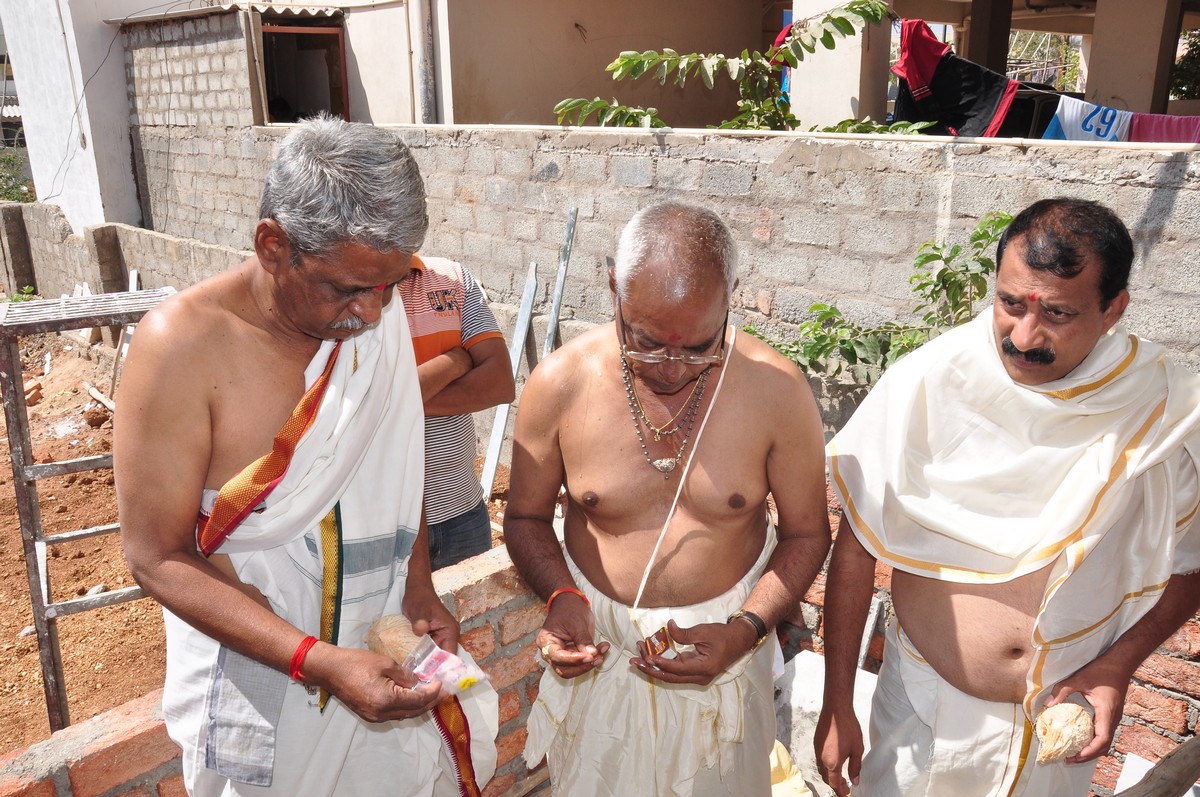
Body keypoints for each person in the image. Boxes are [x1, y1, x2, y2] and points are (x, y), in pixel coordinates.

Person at [114, 115, 497, 796]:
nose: (372, 312)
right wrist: (316, 660)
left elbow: (394, 466)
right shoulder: (180, 348)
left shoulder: (372, 329)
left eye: (390, 285)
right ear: (273, 246)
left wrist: (418, 585)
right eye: (347, 288)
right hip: (259, 673)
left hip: (380, 648)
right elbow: (155, 556)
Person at [815, 198, 1200, 796]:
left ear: (1113, 309)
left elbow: (1190, 565)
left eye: (1058, 313)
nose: (1025, 337)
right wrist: (838, 702)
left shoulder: (1165, 410)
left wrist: (1117, 666)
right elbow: (856, 545)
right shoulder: (931, 381)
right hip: (922, 709)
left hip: (1059, 727)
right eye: (1010, 303)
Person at [504, 200, 832, 796]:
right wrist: (561, 596)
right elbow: (525, 517)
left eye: (700, 345)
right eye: (647, 342)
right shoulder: (559, 384)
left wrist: (745, 630)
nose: (672, 367)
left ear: (731, 296)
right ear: (614, 289)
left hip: (727, 659)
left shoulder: (777, 391)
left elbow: (808, 533)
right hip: (599, 660)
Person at [400, 258, 514, 570]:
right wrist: (454, 362)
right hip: (385, 526)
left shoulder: (452, 278)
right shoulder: (347, 292)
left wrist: (398, 399)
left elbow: (500, 383)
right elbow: (362, 402)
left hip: (463, 514)